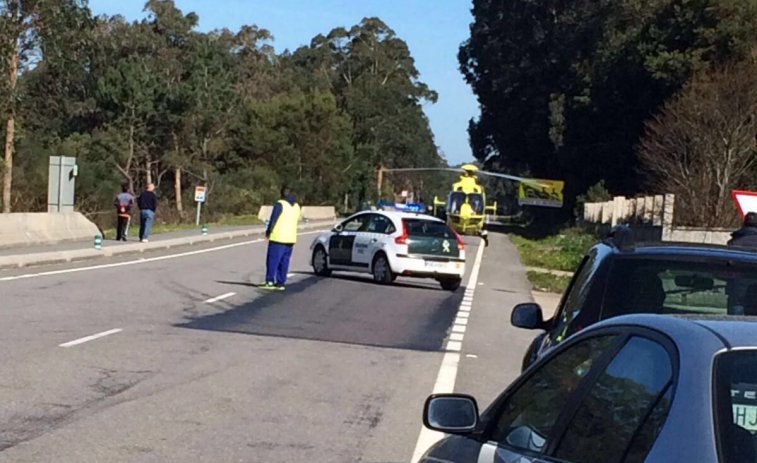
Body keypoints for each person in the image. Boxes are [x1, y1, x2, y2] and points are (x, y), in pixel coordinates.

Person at [262, 187, 301, 290]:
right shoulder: (296, 206)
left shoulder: (280, 204)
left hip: (278, 237)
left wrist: (268, 232)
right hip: (291, 237)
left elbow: (273, 219)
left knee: (272, 260)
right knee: (284, 261)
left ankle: (269, 281)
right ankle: (281, 283)